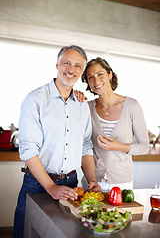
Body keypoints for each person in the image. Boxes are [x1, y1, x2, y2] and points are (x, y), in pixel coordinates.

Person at [13, 46, 101, 238]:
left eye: (77, 65)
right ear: (57, 65)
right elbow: (28, 150)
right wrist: (51, 187)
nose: (71, 69)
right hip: (37, 183)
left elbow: (86, 145)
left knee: (67, 234)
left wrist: (92, 179)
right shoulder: (35, 99)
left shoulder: (81, 105)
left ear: (81, 71)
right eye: (66, 63)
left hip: (72, 185)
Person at [78, 57, 150, 192]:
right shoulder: (86, 107)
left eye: (100, 74)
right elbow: (82, 145)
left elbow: (144, 147)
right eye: (90, 77)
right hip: (93, 181)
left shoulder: (132, 106)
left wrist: (119, 146)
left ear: (110, 74)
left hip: (121, 184)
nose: (96, 81)